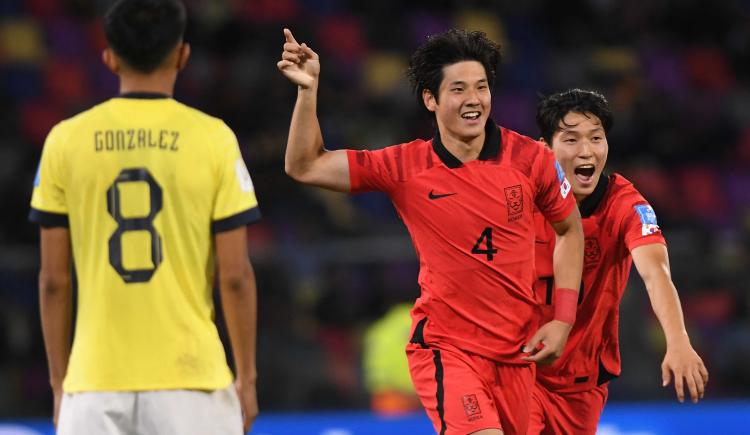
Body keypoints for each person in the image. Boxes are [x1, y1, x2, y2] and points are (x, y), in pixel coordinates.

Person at [277, 28, 584, 435]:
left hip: (518, 355)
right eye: (458, 89)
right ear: (430, 99)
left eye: (481, 87)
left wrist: (563, 319)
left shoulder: (531, 160)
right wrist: (308, 91)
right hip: (447, 349)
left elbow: (570, 230)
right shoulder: (405, 166)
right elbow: (306, 166)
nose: (473, 99)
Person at [29, 1, 260, 433]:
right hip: (193, 385)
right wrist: (246, 379)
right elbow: (235, 277)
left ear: (110, 57)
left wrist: (61, 385)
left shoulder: (64, 140)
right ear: (182, 54)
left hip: (94, 386)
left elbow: (54, 281)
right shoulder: (213, 138)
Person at [529, 88, 709, 434]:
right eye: (571, 139)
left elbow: (656, 273)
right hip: (520, 366)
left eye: (596, 138)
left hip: (580, 381)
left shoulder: (626, 206)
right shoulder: (519, 197)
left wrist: (678, 340)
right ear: (545, 147)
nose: (586, 151)